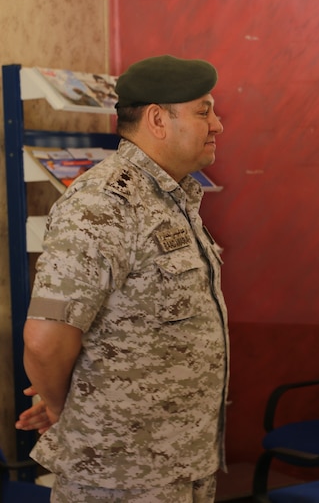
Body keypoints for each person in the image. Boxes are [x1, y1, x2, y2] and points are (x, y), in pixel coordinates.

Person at [15, 55, 229, 503]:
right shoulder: (104, 204)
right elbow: (44, 342)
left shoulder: (173, 196)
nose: (218, 125)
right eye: (204, 111)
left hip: (180, 465)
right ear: (157, 119)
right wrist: (62, 407)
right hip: (119, 477)